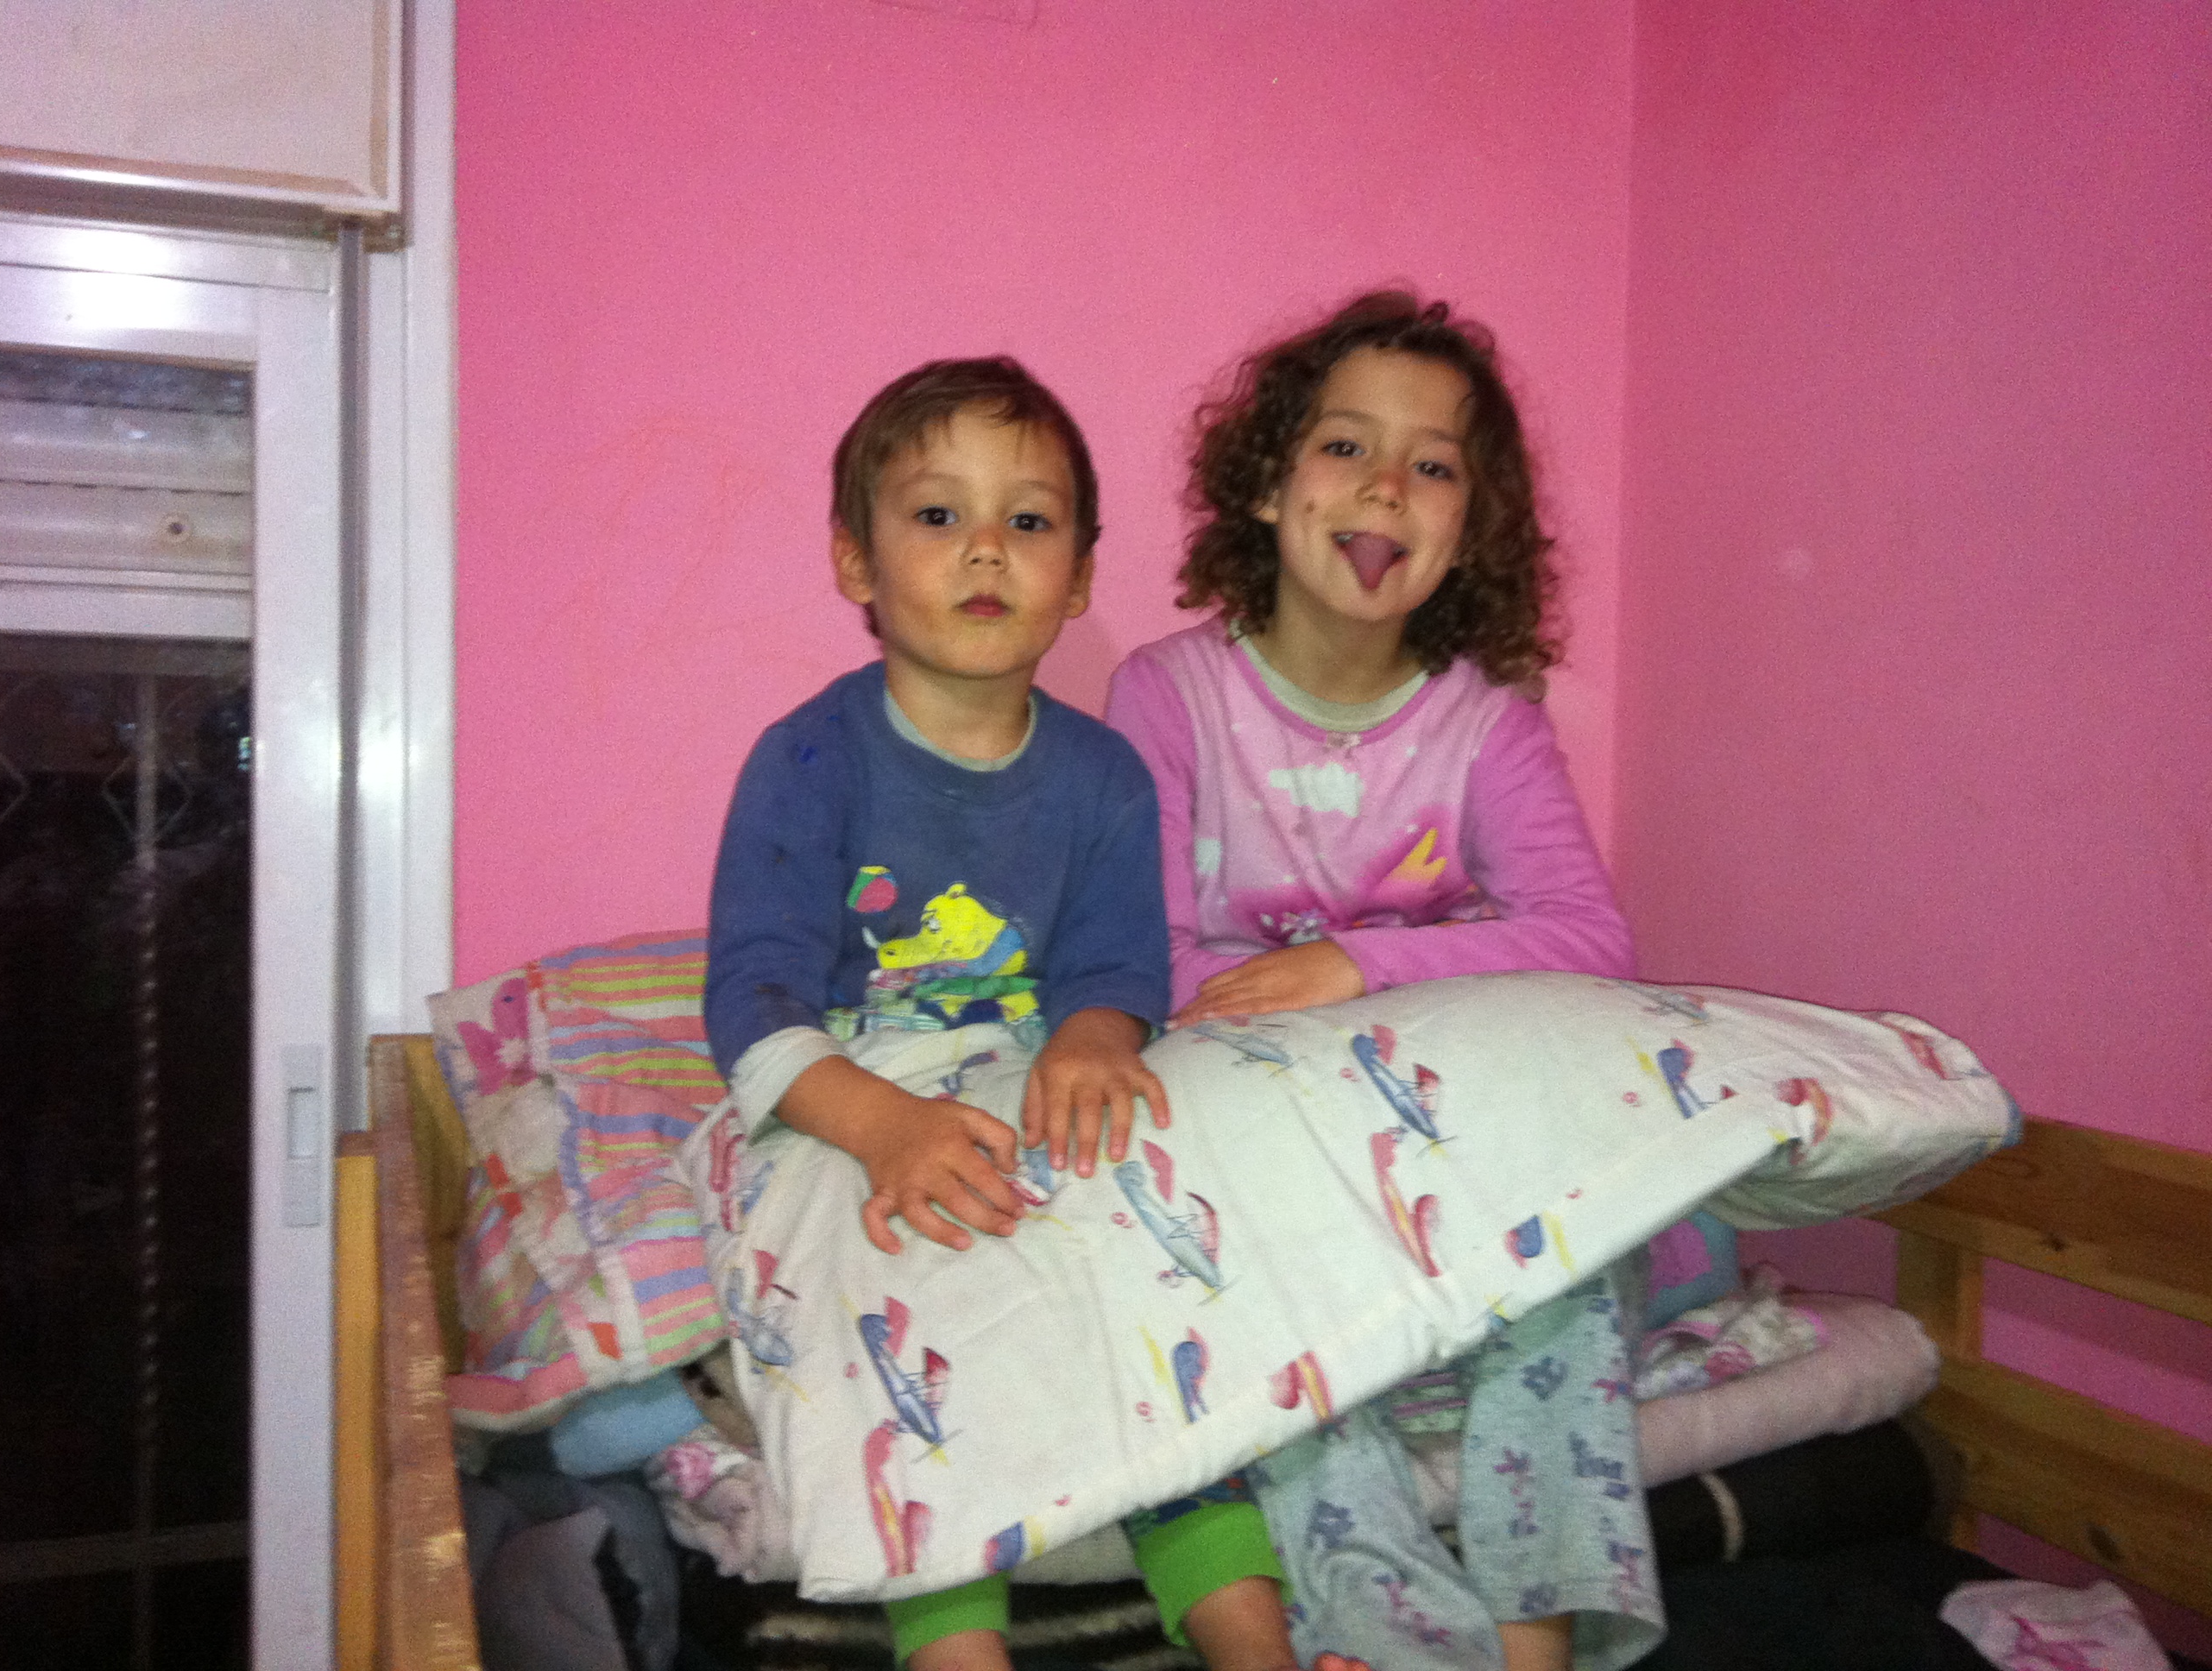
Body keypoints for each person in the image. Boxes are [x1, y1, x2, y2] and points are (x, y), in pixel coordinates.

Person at [703, 357, 1305, 1671]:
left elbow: (1117, 968)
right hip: (850, 1089)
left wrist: (1093, 1036)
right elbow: (752, 1000)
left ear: (1078, 577)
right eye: (938, 515)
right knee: (887, 1295)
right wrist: (885, 1129)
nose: (986, 548)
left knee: (1157, 1273)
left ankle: (1248, 1632)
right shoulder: (807, 758)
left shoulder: (1104, 776)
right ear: (855, 562)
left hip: (1029, 1077)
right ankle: (950, 1635)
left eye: (1028, 521)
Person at [1106, 293, 1663, 1671]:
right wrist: (1286, 1011)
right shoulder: (1170, 695)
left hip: (1441, 1132)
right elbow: (1151, 961)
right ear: (1268, 484)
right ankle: (1379, 1634)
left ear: (1471, 525)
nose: (1385, 488)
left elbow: (1590, 940)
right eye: (1346, 446)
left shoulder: (1488, 724)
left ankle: (1533, 1644)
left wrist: (1350, 963)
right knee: (1256, 1303)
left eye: (1433, 465)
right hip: (1267, 1143)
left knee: (1586, 1257)